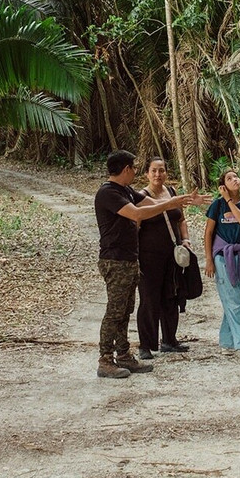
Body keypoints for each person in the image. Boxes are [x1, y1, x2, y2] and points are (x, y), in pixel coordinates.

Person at [95, 150, 198, 379]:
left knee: (125, 310)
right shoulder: (108, 193)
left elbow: (159, 206)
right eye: (133, 168)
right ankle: (105, 359)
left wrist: (181, 202)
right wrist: (170, 203)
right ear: (126, 170)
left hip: (129, 259)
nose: (134, 172)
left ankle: (123, 356)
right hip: (115, 260)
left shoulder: (126, 191)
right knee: (114, 311)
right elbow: (137, 213)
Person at [135, 157, 193, 359]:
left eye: (161, 170)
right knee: (149, 299)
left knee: (171, 296)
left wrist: (185, 239)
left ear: (167, 173)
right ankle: (145, 345)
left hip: (172, 256)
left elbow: (181, 219)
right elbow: (136, 225)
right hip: (149, 257)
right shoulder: (141, 196)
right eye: (153, 171)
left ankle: (169, 340)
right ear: (147, 174)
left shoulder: (172, 193)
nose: (158, 175)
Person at [204, 169, 240, 359]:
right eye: (229, 178)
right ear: (223, 185)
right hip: (221, 256)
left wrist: (229, 201)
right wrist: (209, 260)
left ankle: (227, 341)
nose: (235, 180)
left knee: (236, 299)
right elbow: (208, 233)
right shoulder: (217, 206)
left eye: (236, 176)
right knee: (232, 300)